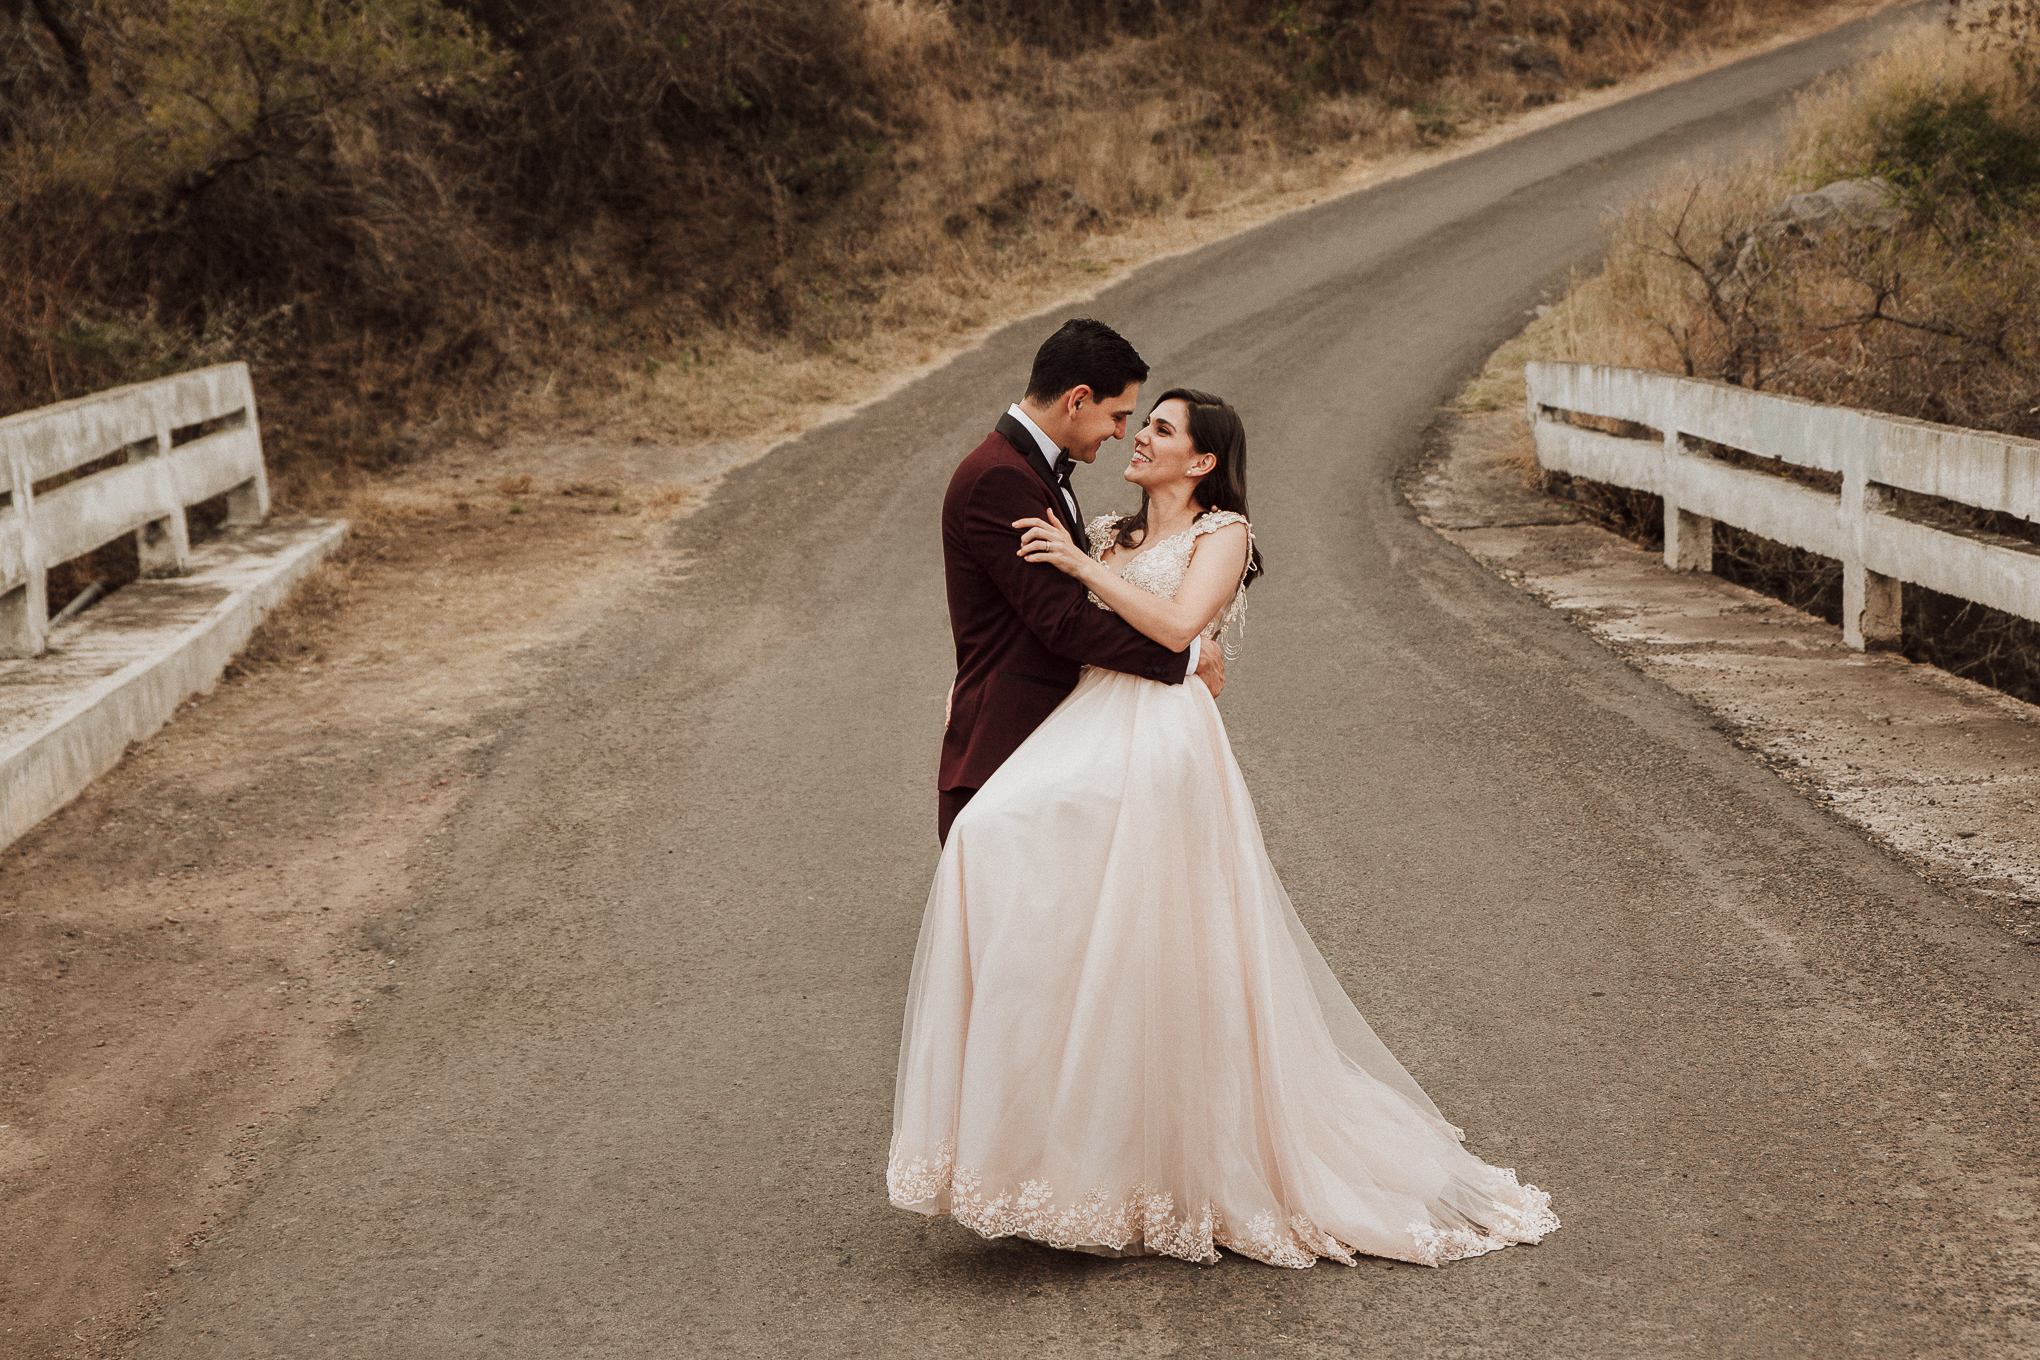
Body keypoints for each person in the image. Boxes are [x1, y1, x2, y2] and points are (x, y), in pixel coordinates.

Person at [889, 386, 1561, 1268]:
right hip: (1090, 721)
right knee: (1033, 881)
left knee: (1153, 931)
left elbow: (1174, 626)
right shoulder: (1113, 532)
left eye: (1160, 429)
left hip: (1162, 736)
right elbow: (1066, 635)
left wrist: (1087, 570)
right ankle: (1058, 1149)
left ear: (1202, 461)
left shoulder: (1222, 533)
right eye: (1141, 421)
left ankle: (1178, 1165)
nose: (1138, 438)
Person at [935, 318, 1224, 845]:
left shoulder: (1034, 473)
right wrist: (1183, 658)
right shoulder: (1001, 477)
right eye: (1118, 416)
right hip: (1006, 744)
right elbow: (1062, 621)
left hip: (1068, 748)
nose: (1122, 433)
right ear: (1077, 400)